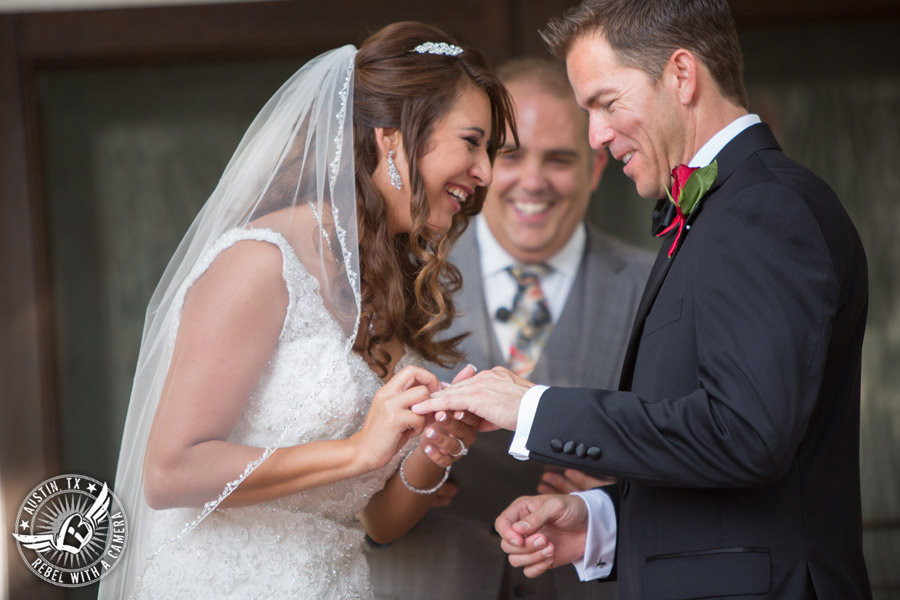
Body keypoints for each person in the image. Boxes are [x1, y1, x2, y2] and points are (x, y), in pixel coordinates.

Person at [412, 1, 873, 598]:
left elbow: (746, 436)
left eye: (605, 103)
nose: (596, 136)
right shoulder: (723, 209)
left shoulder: (765, 208)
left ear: (681, 74)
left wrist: (534, 409)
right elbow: (735, 460)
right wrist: (600, 523)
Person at [97, 21, 516, 599]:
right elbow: (170, 473)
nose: (486, 173)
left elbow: (377, 522)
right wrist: (357, 451)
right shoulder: (260, 263)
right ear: (391, 138)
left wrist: (436, 450)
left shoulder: (386, 280)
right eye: (472, 142)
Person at [367, 57, 650, 600]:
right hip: (428, 576)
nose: (533, 181)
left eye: (561, 159)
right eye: (512, 155)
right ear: (480, 164)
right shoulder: (394, 276)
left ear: (594, 168)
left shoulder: (654, 286)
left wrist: (631, 495)